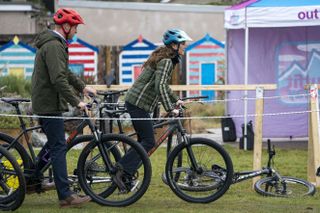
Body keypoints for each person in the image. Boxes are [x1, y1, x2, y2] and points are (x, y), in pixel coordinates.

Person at [113, 29, 192, 192]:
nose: (185, 46)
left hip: (138, 103)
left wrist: (175, 99)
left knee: (145, 144)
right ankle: (120, 170)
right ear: (175, 45)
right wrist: (171, 108)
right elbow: (160, 85)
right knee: (149, 141)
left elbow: (163, 85)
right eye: (183, 43)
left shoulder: (166, 59)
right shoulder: (167, 61)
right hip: (138, 104)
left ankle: (126, 175)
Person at [31, 8, 96, 208]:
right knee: (59, 147)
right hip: (49, 104)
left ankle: (31, 179)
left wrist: (82, 87)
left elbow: (65, 72)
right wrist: (77, 102)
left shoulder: (56, 44)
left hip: (48, 102)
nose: (76, 32)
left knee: (53, 144)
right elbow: (58, 79)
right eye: (75, 28)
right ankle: (65, 196)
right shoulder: (53, 45)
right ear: (66, 26)